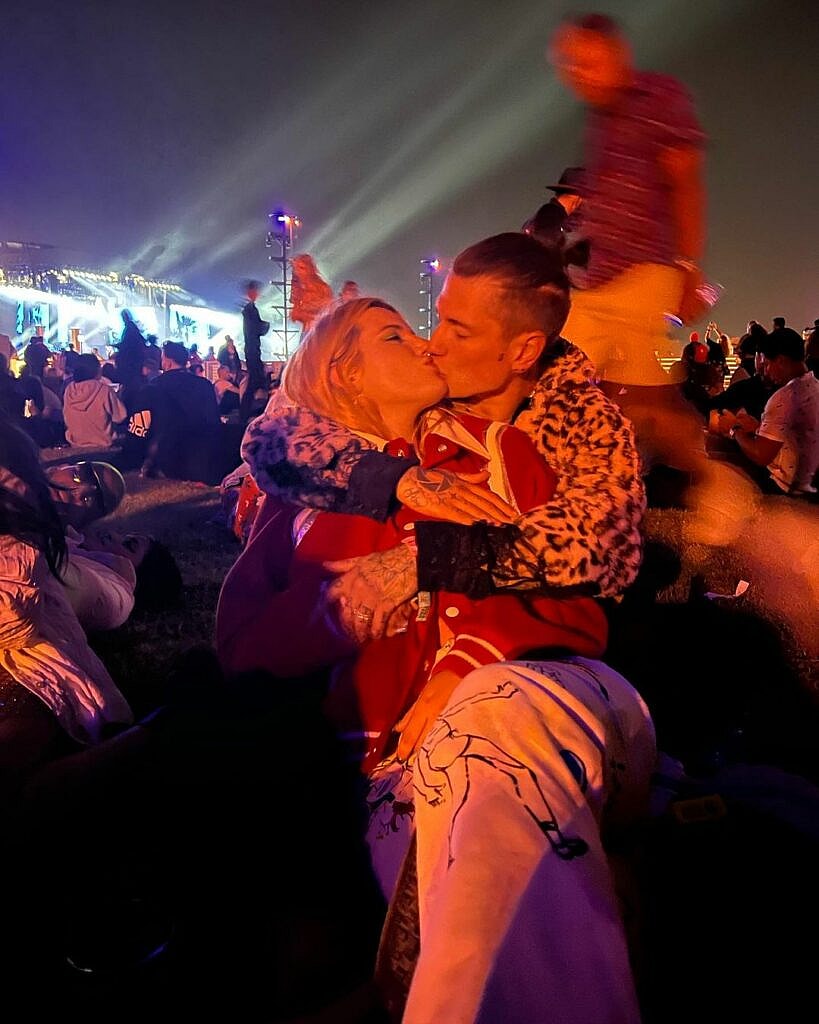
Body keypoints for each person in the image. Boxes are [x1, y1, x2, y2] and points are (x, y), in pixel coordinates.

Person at [222, 297, 656, 1024]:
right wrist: (346, 607)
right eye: (396, 335)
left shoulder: (492, 452)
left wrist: (467, 659)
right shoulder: (298, 494)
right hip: (379, 770)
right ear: (346, 373)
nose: (425, 344)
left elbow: (574, 592)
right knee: (439, 890)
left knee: (479, 761)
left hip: (524, 706)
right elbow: (240, 647)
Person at [243, 233, 646, 642]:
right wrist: (393, 478)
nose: (434, 344)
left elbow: (603, 548)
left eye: (460, 331)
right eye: (441, 318)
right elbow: (273, 437)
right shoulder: (427, 399)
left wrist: (432, 558)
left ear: (524, 352)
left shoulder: (581, 421)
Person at [547, 13, 753, 542]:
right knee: (567, 383)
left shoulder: (659, 95)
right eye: (569, 64)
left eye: (586, 60)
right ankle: (602, 488)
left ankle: (719, 485)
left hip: (647, 275)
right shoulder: (601, 122)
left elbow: (685, 183)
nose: (577, 73)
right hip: (601, 285)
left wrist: (687, 268)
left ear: (617, 54)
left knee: (646, 402)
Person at [0, 414, 133, 767]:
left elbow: (106, 599)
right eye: (80, 475)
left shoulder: (44, 551)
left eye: (93, 501)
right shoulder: (17, 470)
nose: (80, 493)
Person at [711, 327, 819, 497]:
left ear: (781, 361)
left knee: (715, 462)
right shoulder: (814, 387)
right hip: (809, 481)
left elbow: (761, 455)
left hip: (785, 486)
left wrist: (733, 429)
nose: (766, 371)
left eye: (768, 364)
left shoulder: (784, 398)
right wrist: (758, 428)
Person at [139, 342, 220, 483]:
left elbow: (144, 424)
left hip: (168, 453)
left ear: (168, 362)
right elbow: (214, 420)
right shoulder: (204, 384)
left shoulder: (155, 385)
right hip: (203, 454)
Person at [63, 353, 128, 448]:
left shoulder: (69, 390)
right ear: (96, 369)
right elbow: (120, 417)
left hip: (75, 445)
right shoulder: (104, 390)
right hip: (103, 447)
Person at [239, 281, 270, 424]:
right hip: (252, 350)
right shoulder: (249, 310)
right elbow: (255, 329)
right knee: (255, 382)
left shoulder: (250, 309)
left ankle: (247, 413)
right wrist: (265, 326)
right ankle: (246, 414)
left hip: (253, 349)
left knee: (255, 382)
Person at [113, 310, 147, 410]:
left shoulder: (130, 328)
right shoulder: (131, 328)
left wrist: (119, 346)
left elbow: (128, 345)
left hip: (130, 365)